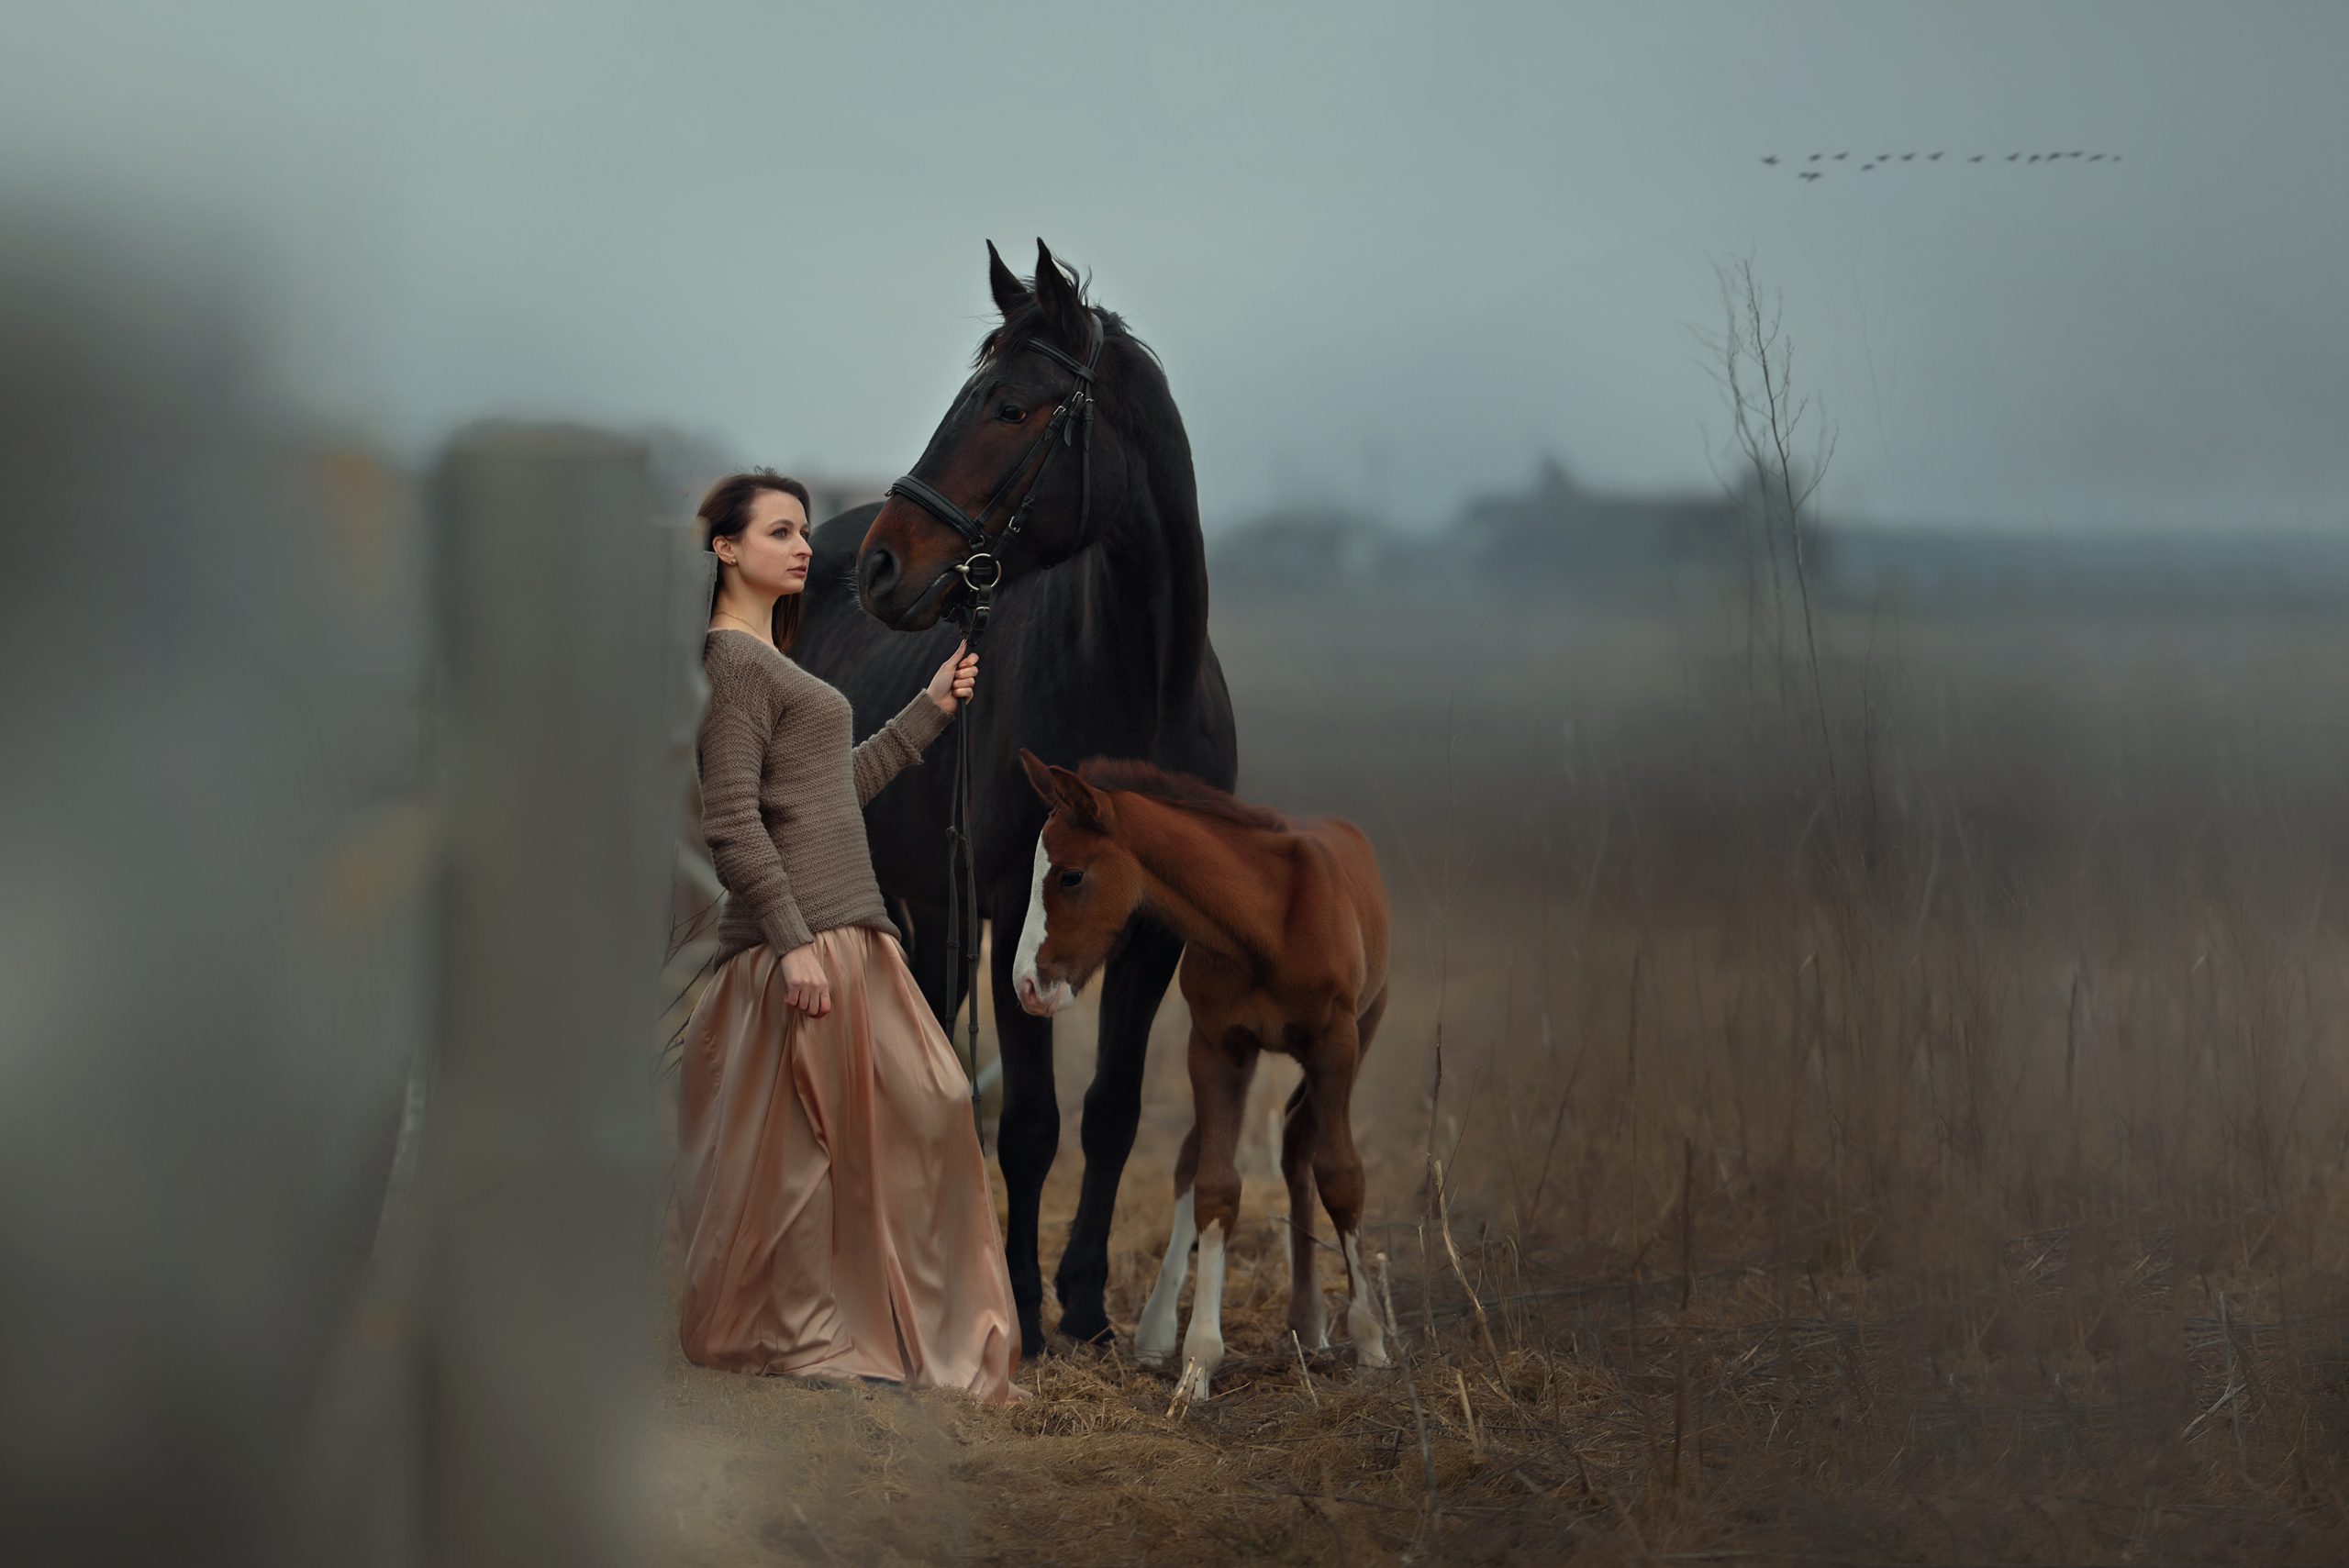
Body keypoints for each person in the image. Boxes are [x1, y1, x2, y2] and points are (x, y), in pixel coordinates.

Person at [674, 469, 1022, 1401]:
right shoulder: (736, 666)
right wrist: (790, 943)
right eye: (780, 531)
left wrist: (931, 711)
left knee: (915, 1120)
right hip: (807, 941)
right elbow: (734, 823)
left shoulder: (777, 663)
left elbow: (831, 794)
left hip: (850, 932)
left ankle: (875, 1326)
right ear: (726, 550)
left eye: (802, 530)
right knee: (870, 1133)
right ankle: (809, 1333)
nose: (805, 547)